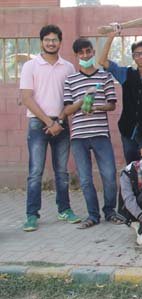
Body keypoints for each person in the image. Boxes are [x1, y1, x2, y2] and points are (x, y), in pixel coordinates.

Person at [20, 25, 80, 231]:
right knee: (35, 171)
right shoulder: (30, 66)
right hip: (38, 124)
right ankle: (31, 215)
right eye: (47, 40)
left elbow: (71, 99)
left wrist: (59, 122)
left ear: (60, 42)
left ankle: (64, 209)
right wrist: (48, 122)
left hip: (61, 123)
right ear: (41, 42)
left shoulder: (68, 67)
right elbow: (27, 98)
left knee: (62, 172)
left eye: (55, 40)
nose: (51, 43)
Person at [63, 38, 121, 229]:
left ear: (93, 52)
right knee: (86, 179)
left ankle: (110, 211)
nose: (86, 55)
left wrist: (96, 107)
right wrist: (82, 100)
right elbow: (67, 111)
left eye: (88, 51)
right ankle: (93, 215)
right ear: (77, 55)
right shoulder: (70, 80)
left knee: (109, 174)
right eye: (81, 53)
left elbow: (112, 104)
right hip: (78, 136)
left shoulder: (104, 77)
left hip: (100, 134)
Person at [98, 31, 142, 163]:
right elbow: (102, 61)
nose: (140, 57)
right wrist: (111, 37)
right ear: (133, 57)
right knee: (131, 167)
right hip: (127, 130)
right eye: (137, 54)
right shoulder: (126, 74)